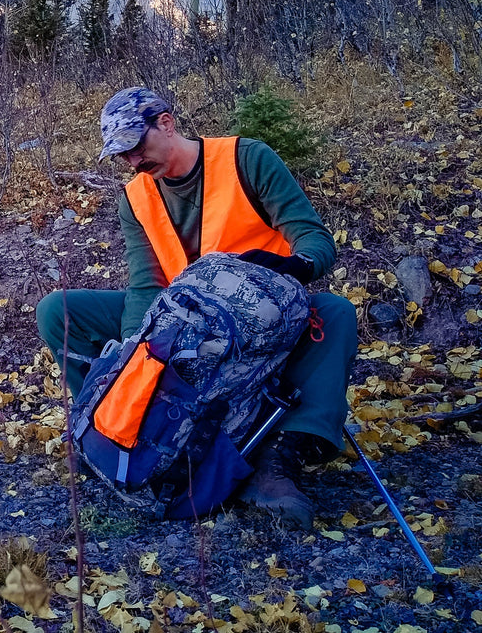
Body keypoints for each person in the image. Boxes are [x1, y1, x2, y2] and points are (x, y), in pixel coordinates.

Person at [37, 87, 357, 530]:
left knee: (336, 314)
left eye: (136, 146)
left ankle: (279, 456)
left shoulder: (248, 159)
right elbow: (146, 285)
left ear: (166, 123)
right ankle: (107, 429)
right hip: (179, 322)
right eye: (122, 155)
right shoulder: (135, 198)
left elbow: (315, 241)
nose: (132, 162)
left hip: (264, 320)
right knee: (59, 311)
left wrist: (291, 267)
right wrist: (135, 352)